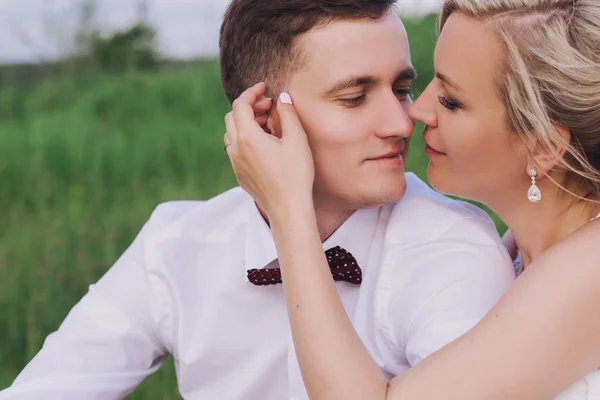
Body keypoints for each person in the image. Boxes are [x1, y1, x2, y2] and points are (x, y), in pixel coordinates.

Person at [0, 1, 516, 399]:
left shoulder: (453, 246)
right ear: (264, 118)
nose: (402, 122)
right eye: (355, 97)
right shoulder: (179, 244)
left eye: (401, 88)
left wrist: (291, 212)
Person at [224, 0, 600, 398]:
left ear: (542, 145)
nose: (414, 113)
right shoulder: (526, 253)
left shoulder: (590, 267)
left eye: (451, 101)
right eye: (426, 85)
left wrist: (289, 208)